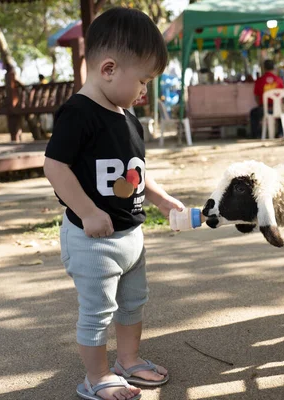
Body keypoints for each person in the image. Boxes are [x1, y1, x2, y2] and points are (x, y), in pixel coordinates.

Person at [44, 7, 182, 400]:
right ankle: (97, 376)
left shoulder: (128, 118)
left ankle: (128, 359)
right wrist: (87, 212)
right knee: (97, 311)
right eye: (143, 80)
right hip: (93, 241)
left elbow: (135, 172)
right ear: (108, 69)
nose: (145, 91)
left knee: (133, 303)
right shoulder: (78, 114)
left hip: (130, 237)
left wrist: (159, 198)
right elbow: (55, 166)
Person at [250, 59, 284, 139]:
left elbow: (257, 97)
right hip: (277, 108)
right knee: (281, 111)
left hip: (264, 109)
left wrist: (262, 105)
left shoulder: (259, 81)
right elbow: (283, 95)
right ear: (274, 68)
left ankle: (257, 135)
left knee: (253, 113)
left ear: (264, 68)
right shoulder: (279, 80)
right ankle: (280, 133)